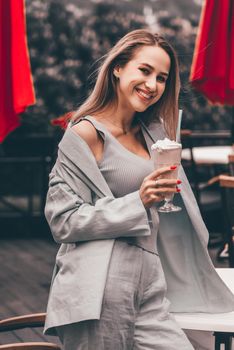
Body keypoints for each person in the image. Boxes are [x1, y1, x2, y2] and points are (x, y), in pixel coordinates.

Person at [43, 29, 234, 350]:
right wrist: (139, 201)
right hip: (98, 282)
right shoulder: (86, 133)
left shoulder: (154, 134)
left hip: (152, 279)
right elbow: (63, 220)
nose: (152, 85)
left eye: (162, 78)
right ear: (118, 67)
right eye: (144, 71)